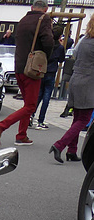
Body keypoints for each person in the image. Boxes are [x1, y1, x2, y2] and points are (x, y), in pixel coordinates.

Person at [0, 0, 53, 147]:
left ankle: (22, 135)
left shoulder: (23, 20)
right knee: (31, 106)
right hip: (32, 68)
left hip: (19, 68)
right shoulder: (44, 19)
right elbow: (48, 42)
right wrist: (46, 57)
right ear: (46, 9)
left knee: (27, 104)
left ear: (32, 7)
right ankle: (1, 126)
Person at [50, 15, 94, 163]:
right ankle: (59, 145)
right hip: (88, 83)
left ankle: (72, 151)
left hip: (76, 80)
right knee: (84, 119)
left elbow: (74, 55)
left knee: (77, 118)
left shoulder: (83, 40)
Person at [31, 32, 65, 129]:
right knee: (46, 97)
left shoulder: (46, 45)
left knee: (38, 94)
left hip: (42, 70)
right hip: (51, 71)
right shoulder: (60, 47)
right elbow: (61, 59)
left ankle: (31, 115)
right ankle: (41, 120)